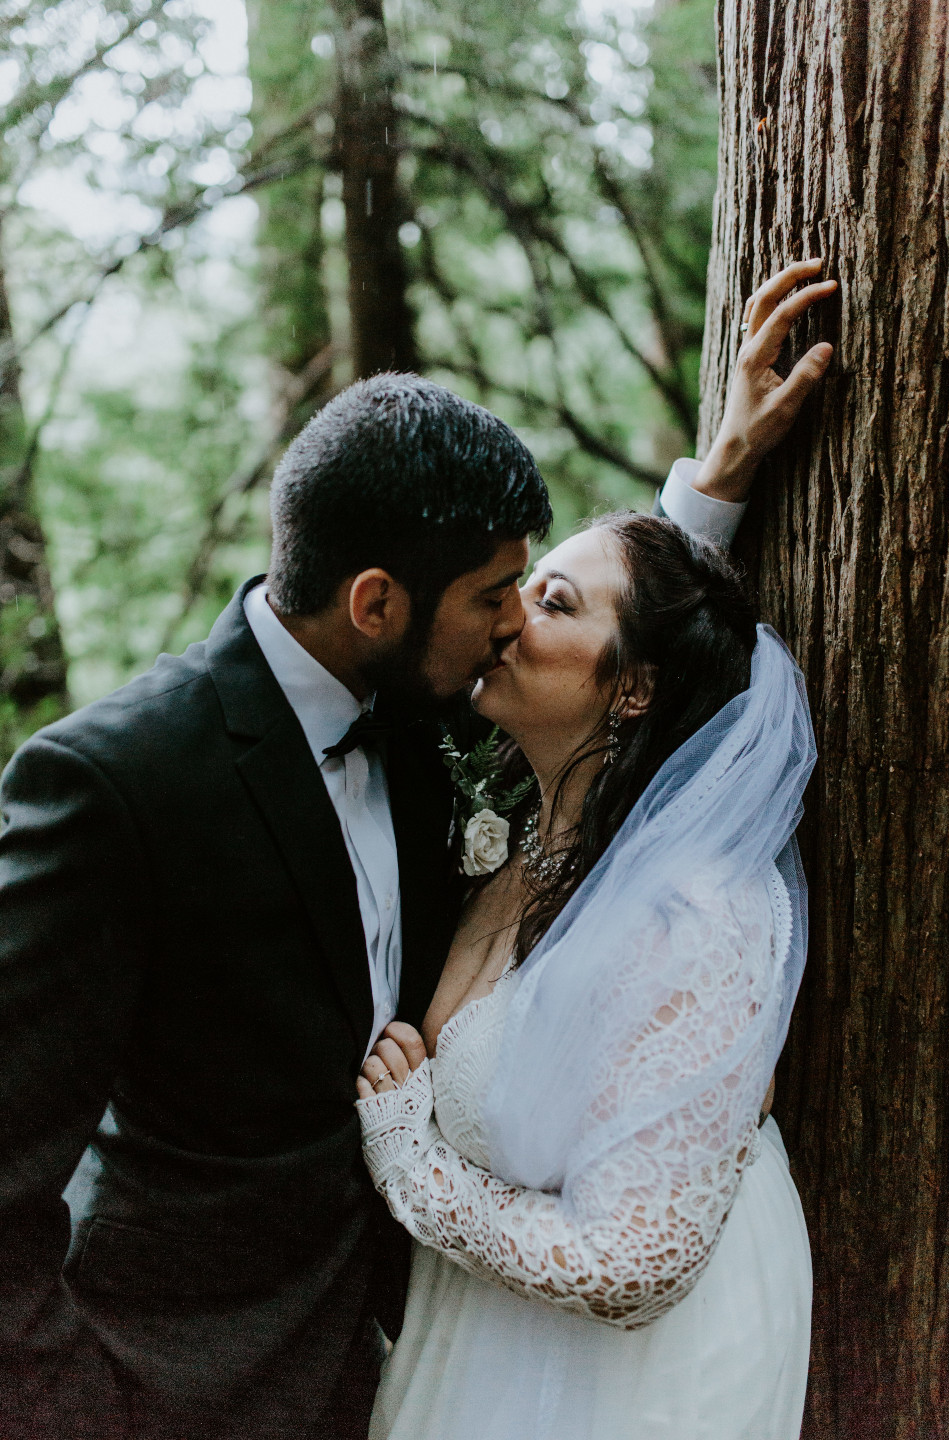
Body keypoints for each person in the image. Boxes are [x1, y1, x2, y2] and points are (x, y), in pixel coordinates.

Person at [0, 262, 833, 1440]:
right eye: (498, 595)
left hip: (417, 1361)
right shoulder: (113, 783)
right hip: (183, 1381)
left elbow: (621, 682)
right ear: (378, 603)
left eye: (529, 596)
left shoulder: (435, 705)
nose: (510, 625)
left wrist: (717, 485)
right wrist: (66, 1412)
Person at [355, 265, 834, 1440]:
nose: (509, 616)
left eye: (547, 600)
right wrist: (711, 484)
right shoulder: (531, 823)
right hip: (485, 1340)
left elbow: (633, 1262)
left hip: (639, 1380)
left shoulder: (696, 915)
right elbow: (631, 627)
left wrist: (407, 1159)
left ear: (632, 696)